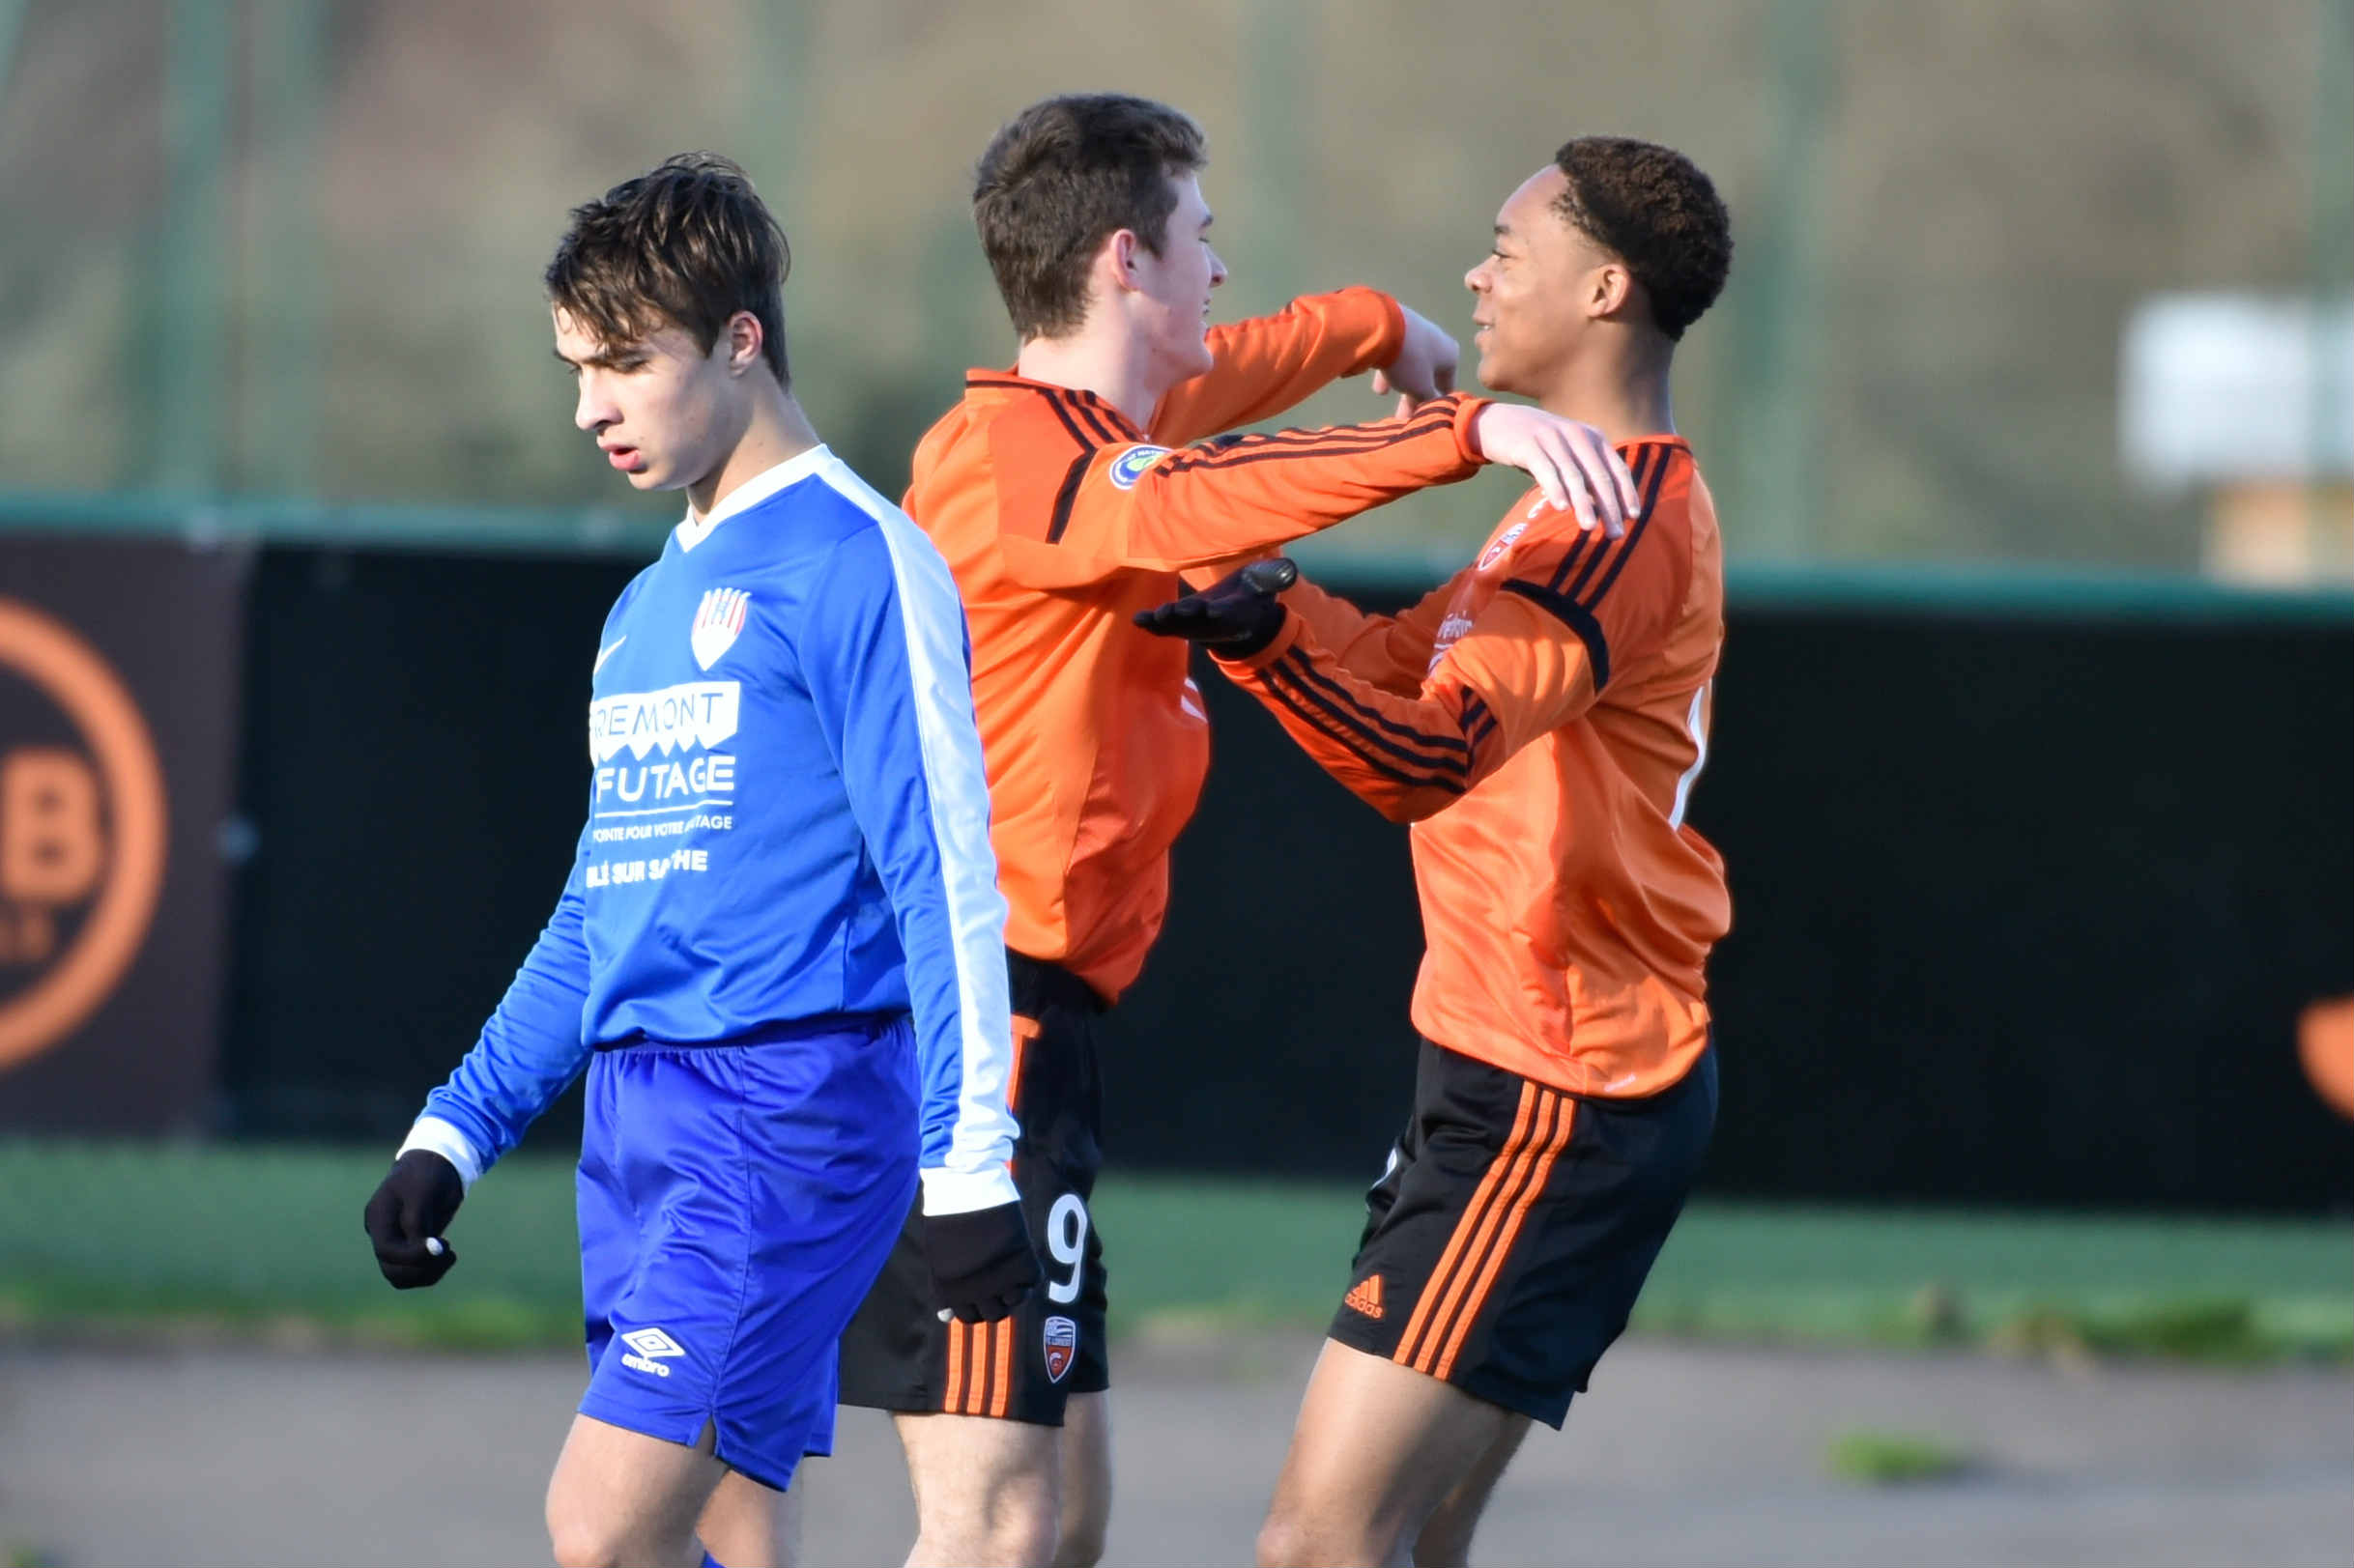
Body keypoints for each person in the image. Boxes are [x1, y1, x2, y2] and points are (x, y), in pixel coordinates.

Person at [832, 94, 1643, 1568]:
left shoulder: (1094, 431)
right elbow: (1210, 490)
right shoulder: (1025, 462)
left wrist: (1372, 324)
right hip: (959, 1028)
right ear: (1128, 261)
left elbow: (1229, 396)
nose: (1222, 269)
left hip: (1037, 1034)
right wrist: (1469, 431)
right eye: (1203, 239)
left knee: (1060, 1524)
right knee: (1001, 1527)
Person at [359, 153, 1039, 1568]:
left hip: (788, 1112)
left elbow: (948, 880)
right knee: (725, 1534)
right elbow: (596, 910)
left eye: (623, 363)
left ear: (741, 339)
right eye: (574, 368)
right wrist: (456, 1132)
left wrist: (971, 1166)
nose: (589, 407)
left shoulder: (863, 559)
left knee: (599, 1532)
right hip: (640, 1121)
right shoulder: (646, 604)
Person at [1134, 135, 1736, 1568]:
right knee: (1400, 1541)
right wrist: (1237, 569)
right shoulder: (1562, 505)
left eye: (1507, 248)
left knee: (1320, 1543)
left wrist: (1259, 635)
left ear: (1603, 290)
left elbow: (1424, 758)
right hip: (1519, 1065)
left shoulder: (1616, 519)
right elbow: (1398, 667)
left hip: (1561, 1083)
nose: (1476, 271)